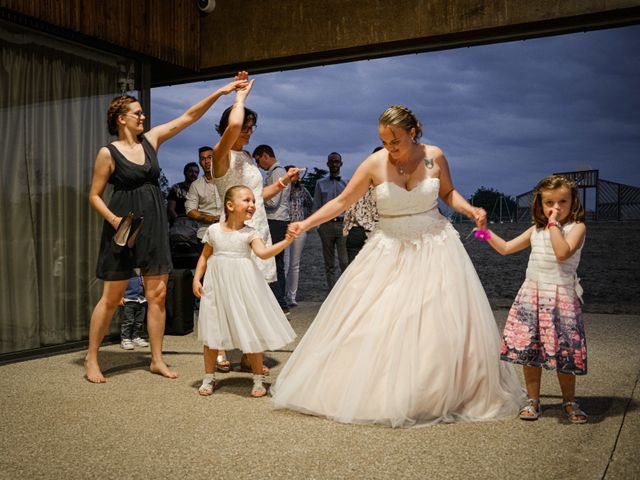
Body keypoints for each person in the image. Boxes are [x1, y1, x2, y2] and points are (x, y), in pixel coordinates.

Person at [272, 105, 524, 427]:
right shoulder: (375, 163)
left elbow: (447, 192)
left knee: (437, 322)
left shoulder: (434, 157)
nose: (390, 148)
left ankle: (439, 391)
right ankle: (380, 391)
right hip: (388, 246)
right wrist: (305, 224)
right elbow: (341, 202)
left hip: (435, 245)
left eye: (396, 141)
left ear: (413, 132)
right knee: (375, 319)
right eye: (384, 141)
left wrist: (471, 209)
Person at [85, 77, 246, 383]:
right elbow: (93, 195)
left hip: (154, 223)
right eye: (137, 113)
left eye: (143, 112)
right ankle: (92, 358)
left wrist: (222, 91)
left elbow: (189, 116)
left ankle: (156, 359)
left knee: (157, 294)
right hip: (124, 226)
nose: (143, 116)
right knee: (111, 296)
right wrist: (114, 220)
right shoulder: (109, 153)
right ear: (122, 119)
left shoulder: (152, 140)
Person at [210, 71, 299, 373]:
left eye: (251, 127)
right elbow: (233, 124)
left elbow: (258, 195)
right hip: (232, 231)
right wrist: (239, 96)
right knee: (228, 292)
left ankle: (250, 352)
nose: (248, 131)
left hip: (256, 227)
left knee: (254, 292)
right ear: (225, 129)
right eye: (245, 127)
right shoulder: (221, 156)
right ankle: (220, 347)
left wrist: (284, 181)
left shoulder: (248, 158)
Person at [483, 175, 588, 424]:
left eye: (562, 201)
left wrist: (553, 226)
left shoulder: (577, 228)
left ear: (573, 202)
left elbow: (562, 253)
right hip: (531, 295)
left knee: (563, 354)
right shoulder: (536, 230)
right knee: (530, 352)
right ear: (539, 204)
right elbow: (506, 248)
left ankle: (570, 401)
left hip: (560, 297)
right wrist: (482, 233)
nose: (556, 208)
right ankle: (533, 400)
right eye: (549, 202)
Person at [193, 185, 296, 397]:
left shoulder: (250, 233)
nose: (252, 205)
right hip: (217, 285)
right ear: (230, 206)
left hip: (242, 285)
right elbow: (204, 256)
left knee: (250, 328)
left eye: (253, 201)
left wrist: (286, 241)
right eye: (246, 200)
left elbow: (264, 253)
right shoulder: (214, 230)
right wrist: (196, 278)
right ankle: (208, 376)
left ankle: (258, 379)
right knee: (213, 329)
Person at [253, 144, 291, 314]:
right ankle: (280, 303)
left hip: (275, 220)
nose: (259, 165)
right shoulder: (278, 172)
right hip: (280, 220)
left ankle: (279, 303)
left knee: (272, 263)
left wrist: (258, 200)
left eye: (258, 160)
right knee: (277, 263)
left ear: (265, 156)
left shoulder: (277, 172)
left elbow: (273, 201)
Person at [313, 152, 348, 288]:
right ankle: (332, 293)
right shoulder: (320, 183)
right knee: (329, 263)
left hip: (342, 225)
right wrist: (318, 226)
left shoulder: (347, 183)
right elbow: (316, 205)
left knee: (344, 261)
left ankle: (344, 291)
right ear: (328, 164)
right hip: (326, 226)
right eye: (331, 161)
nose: (334, 164)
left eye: (336, 161)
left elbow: (350, 204)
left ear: (341, 163)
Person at [283, 164, 313, 307]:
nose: (297, 177)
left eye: (297, 174)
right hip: (284, 228)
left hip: (299, 229)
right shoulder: (282, 190)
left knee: (295, 265)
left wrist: (305, 222)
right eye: (294, 174)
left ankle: (291, 296)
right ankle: (282, 295)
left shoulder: (303, 190)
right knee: (285, 263)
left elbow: (311, 205)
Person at [186, 146, 223, 243]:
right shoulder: (195, 185)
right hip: (205, 234)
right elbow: (190, 210)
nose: (206, 161)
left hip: (229, 231)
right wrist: (210, 219)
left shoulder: (227, 179)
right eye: (203, 159)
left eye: (210, 157)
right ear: (200, 162)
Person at [119, 270, 149, 350]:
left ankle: (135, 337)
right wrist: (120, 296)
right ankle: (125, 339)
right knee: (128, 321)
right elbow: (120, 284)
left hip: (141, 299)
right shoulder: (127, 270)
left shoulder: (143, 270)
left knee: (139, 322)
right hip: (128, 299)